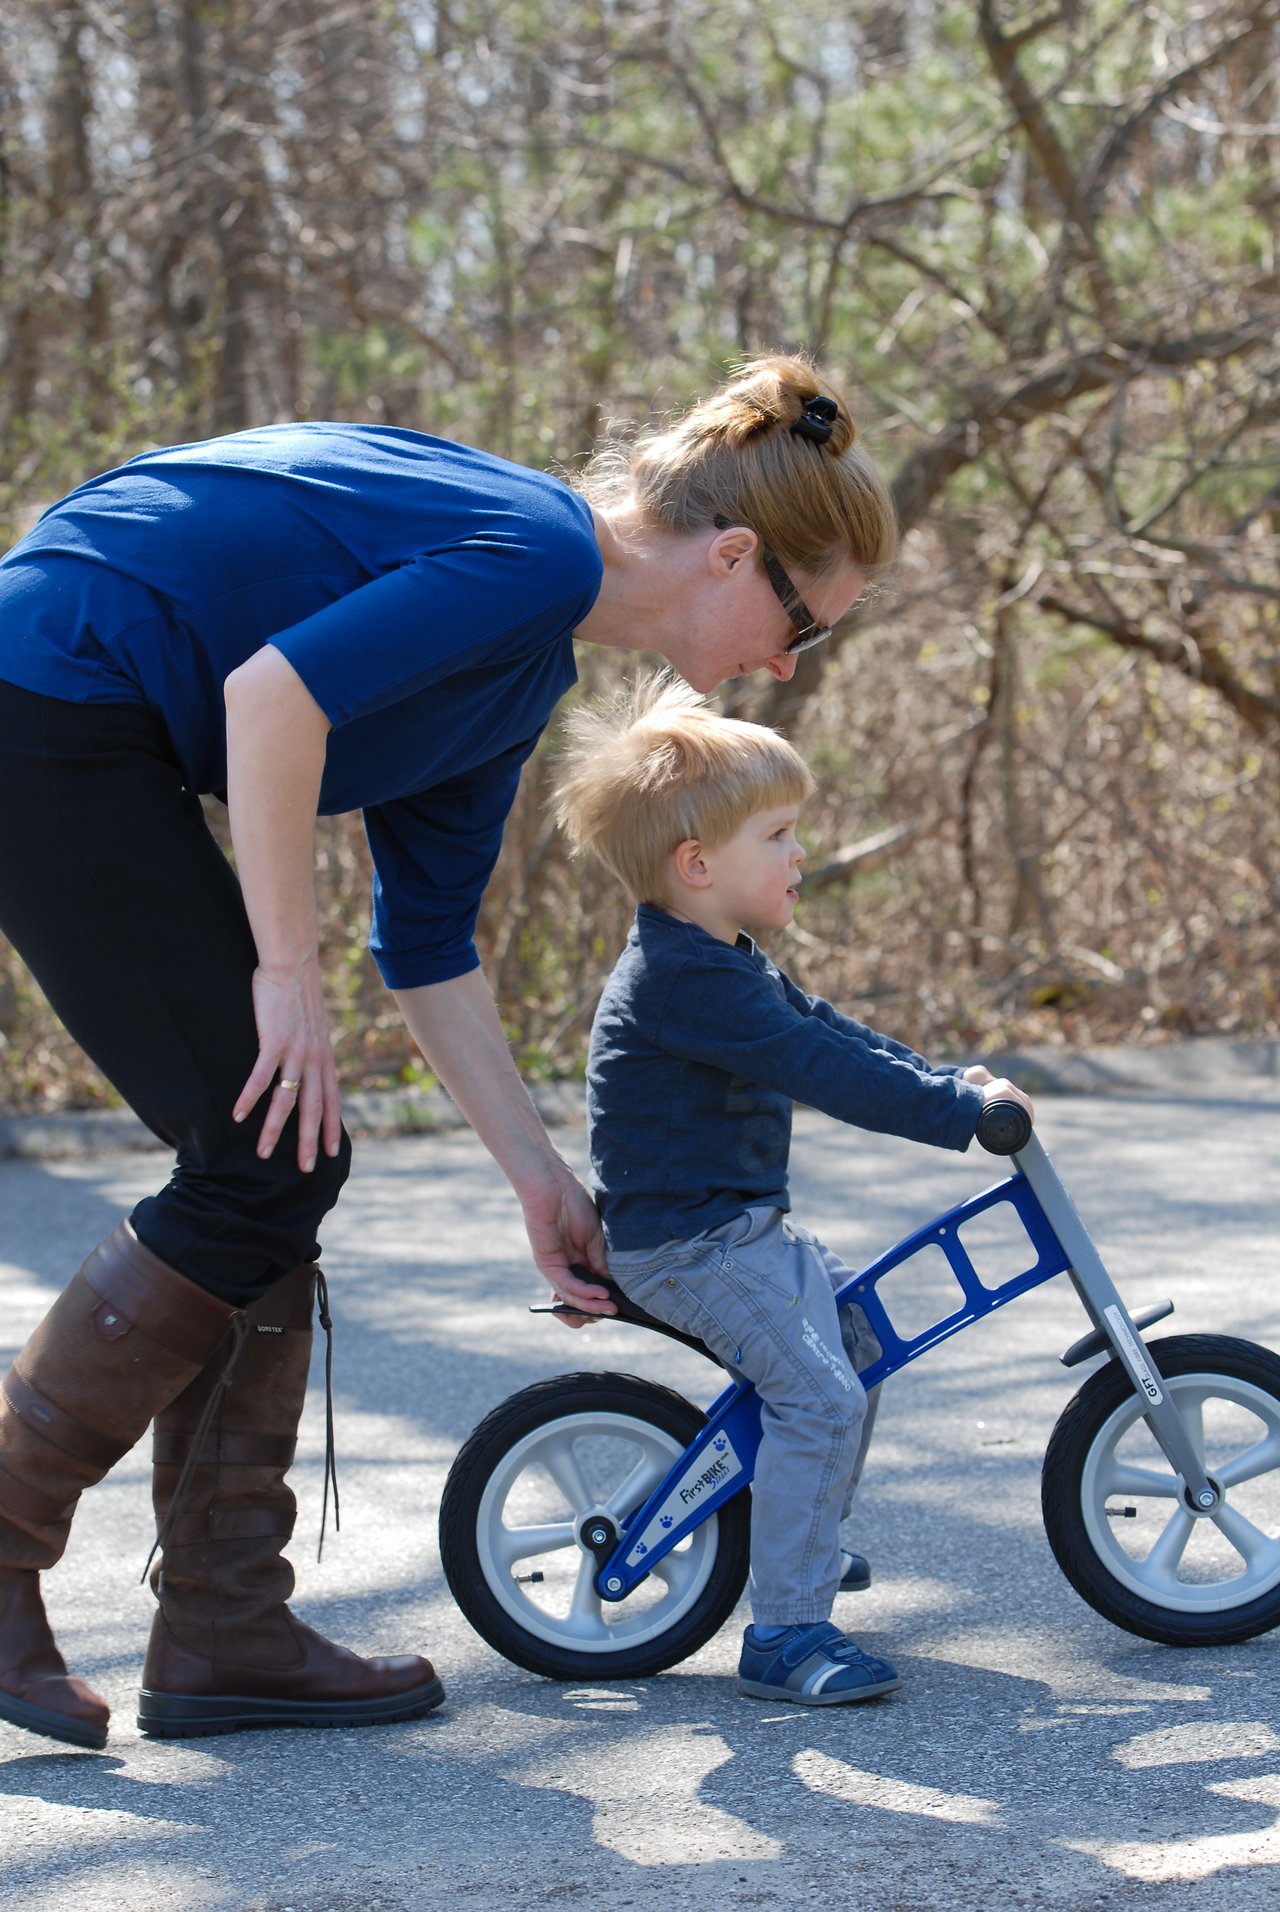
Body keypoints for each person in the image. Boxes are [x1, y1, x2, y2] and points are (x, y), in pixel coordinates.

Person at [0, 357, 899, 1748]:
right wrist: (278, 974)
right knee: (259, 1148)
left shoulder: (517, 671)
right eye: (805, 626)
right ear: (731, 554)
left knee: (274, 1155)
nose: (784, 667)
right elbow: (270, 698)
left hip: (81, 715)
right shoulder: (535, 552)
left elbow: (424, 946)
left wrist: (540, 1181)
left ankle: (224, 1625)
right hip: (46, 694)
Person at [553, 675, 1033, 1706]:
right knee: (815, 1392)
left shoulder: (723, 958)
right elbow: (821, 1072)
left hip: (732, 1233)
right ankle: (784, 1631)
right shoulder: (685, 981)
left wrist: (953, 1086)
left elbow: (826, 1033)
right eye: (776, 835)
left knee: (854, 1341)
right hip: (688, 1247)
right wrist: (956, 1119)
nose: (798, 852)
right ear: (696, 865)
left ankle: (798, 1533)